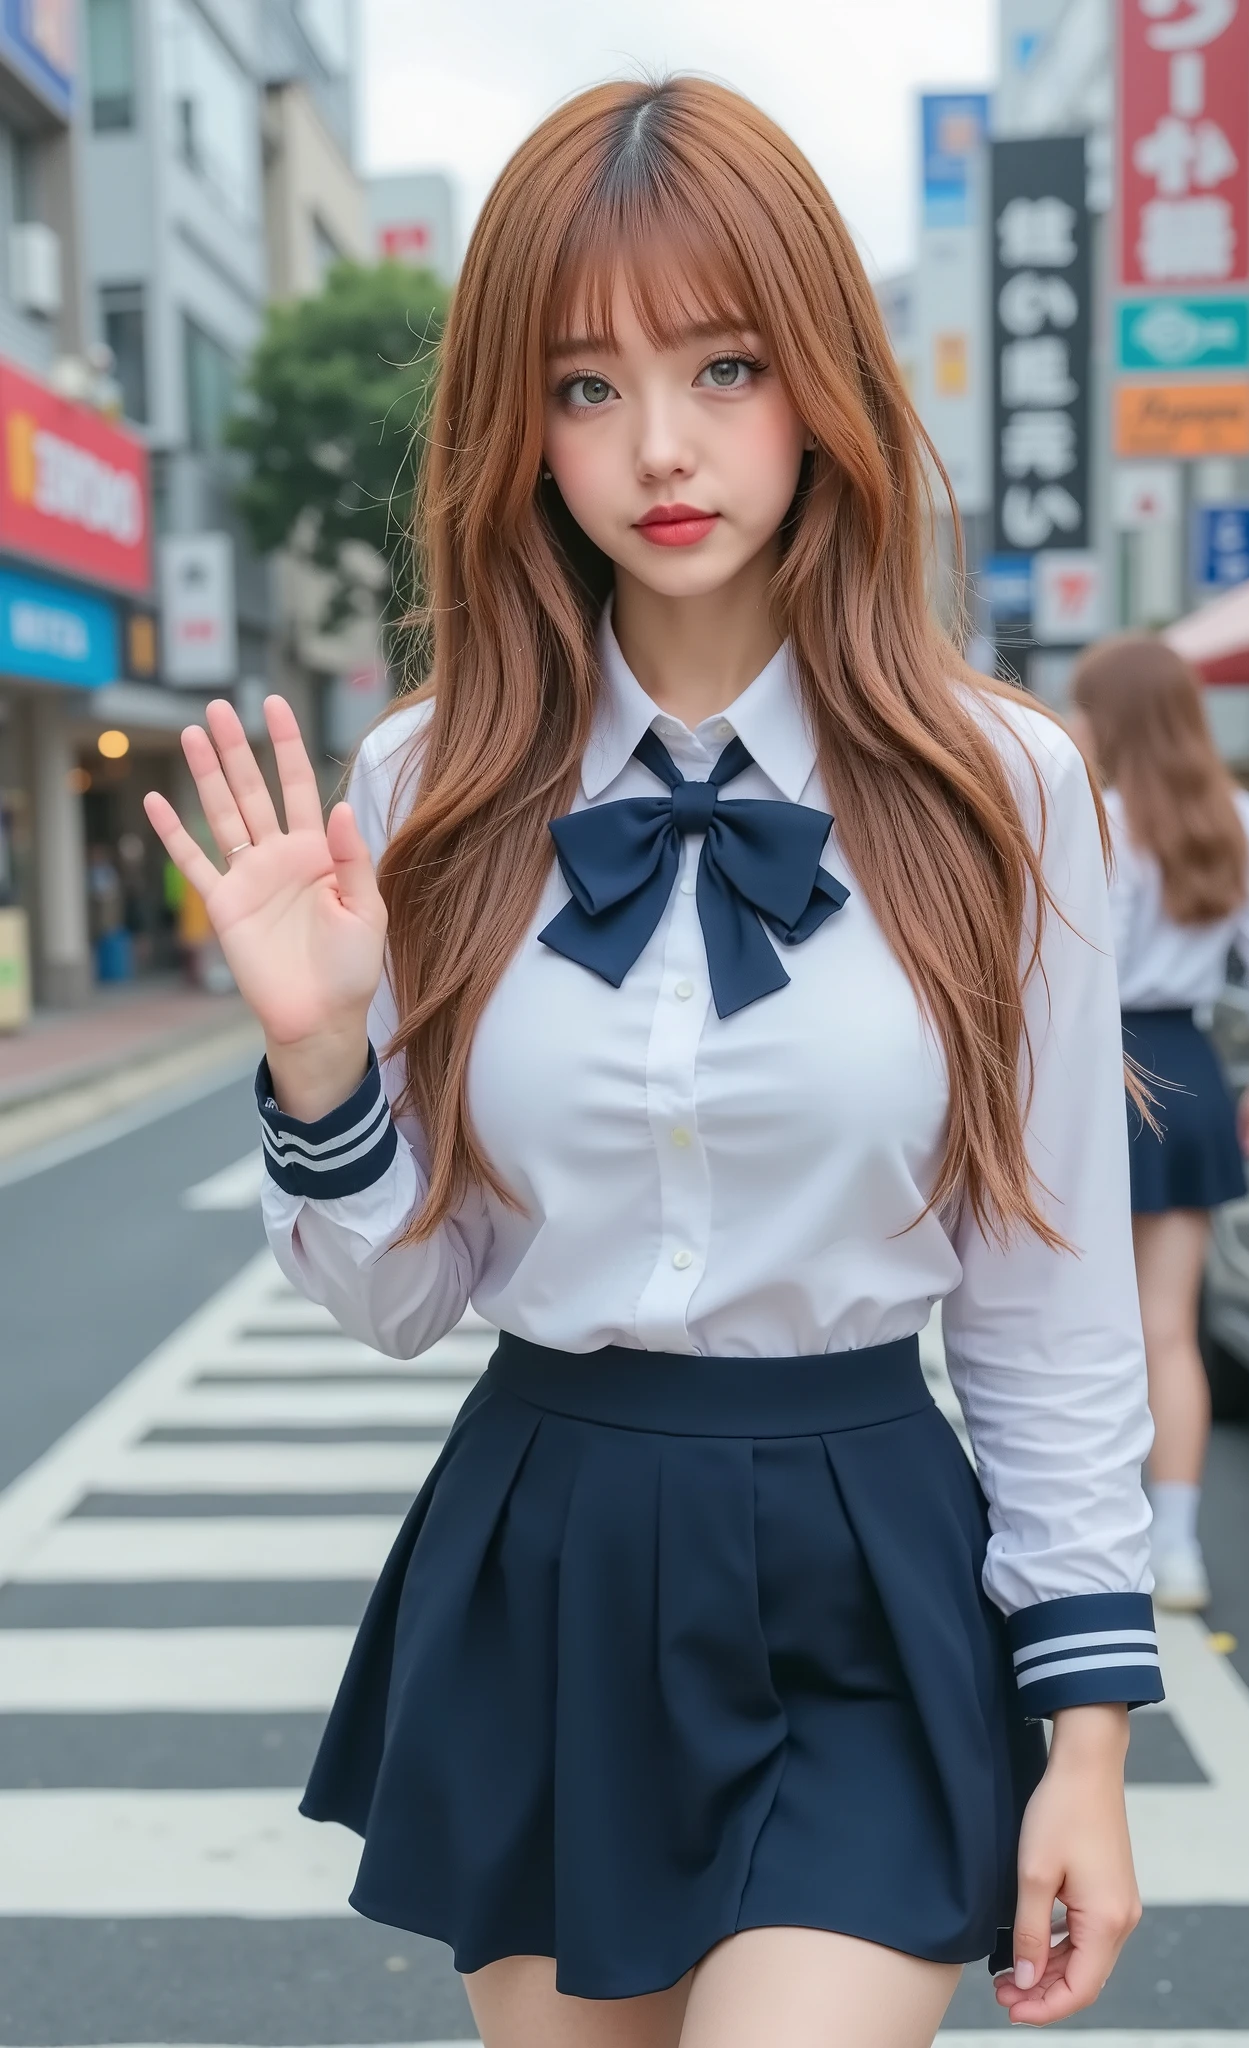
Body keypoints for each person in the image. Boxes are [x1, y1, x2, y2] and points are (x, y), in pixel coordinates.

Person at [144, 78, 1161, 2048]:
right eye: (586, 385)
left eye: (722, 365)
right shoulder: (424, 787)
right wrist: (317, 1053)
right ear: (515, 426)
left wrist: (1088, 1747)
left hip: (867, 1551)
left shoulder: (1001, 787)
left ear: (824, 386)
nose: (662, 447)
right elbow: (402, 1293)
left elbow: (1051, 1301)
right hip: (558, 1548)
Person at [1070, 635, 1249, 1615]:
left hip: (1089, 1071)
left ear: (1112, 718)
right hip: (1189, 1065)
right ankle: (1174, 1547)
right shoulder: (1236, 817)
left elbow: (1067, 960)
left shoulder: (1091, 815)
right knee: (1169, 1330)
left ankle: (1094, 1542)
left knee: (1074, 1327)